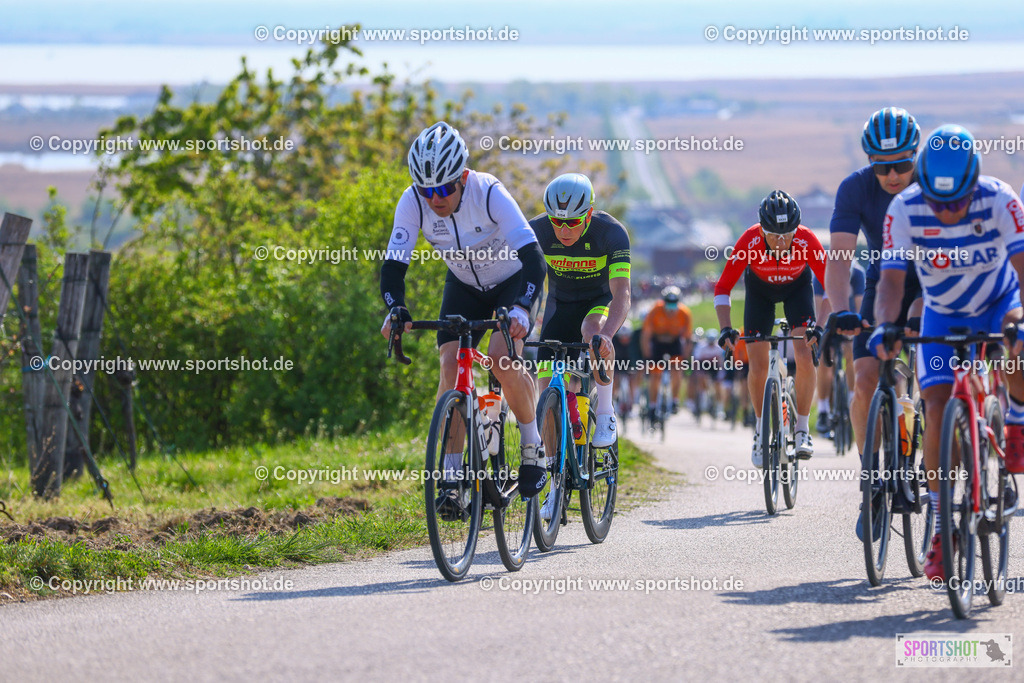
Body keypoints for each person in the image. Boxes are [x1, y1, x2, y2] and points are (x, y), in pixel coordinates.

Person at [871, 124, 1024, 582]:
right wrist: (887, 325)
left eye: (957, 202)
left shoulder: (1001, 199)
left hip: (998, 303)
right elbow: (892, 281)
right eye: (941, 205)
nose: (950, 212)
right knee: (935, 406)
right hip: (941, 312)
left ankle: (1015, 417)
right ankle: (942, 528)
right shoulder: (905, 208)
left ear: (974, 181)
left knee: (1019, 342)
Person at [379, 121, 549, 501]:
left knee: (502, 359)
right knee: (451, 365)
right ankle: (452, 480)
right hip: (464, 286)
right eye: (427, 190)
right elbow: (393, 266)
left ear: (463, 176)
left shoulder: (488, 192)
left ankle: (531, 446)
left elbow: (535, 258)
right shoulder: (412, 201)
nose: (435, 198)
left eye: (444, 188)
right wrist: (396, 309)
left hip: (513, 281)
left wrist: (522, 307)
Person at [823, 107, 925, 539]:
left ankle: (925, 434)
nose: (893, 175)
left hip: (934, 285)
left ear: (916, 158)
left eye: (903, 164)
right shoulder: (855, 189)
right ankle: (874, 482)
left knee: (933, 374)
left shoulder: (932, 183)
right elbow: (840, 258)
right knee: (864, 379)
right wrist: (841, 308)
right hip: (885, 285)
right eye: (882, 166)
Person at [715, 190, 827, 464]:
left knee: (803, 354)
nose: (781, 241)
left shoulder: (808, 239)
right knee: (758, 363)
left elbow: (830, 287)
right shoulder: (749, 240)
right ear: (762, 230)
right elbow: (722, 287)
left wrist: (820, 327)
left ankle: (802, 429)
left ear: (796, 229)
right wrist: (726, 328)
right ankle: (759, 429)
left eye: (788, 234)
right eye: (774, 234)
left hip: (797, 290)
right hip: (760, 293)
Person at [530, 173, 631, 448]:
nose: (563, 230)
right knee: (546, 395)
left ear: (588, 215)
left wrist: (608, 335)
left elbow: (622, 292)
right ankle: (554, 479)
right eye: (557, 222)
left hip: (597, 301)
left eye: (572, 222)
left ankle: (606, 412)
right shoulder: (535, 231)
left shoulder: (610, 233)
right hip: (558, 305)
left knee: (593, 331)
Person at [814, 260, 865, 434]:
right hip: (830, 321)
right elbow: (818, 307)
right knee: (824, 360)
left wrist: (859, 328)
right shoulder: (821, 274)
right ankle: (822, 409)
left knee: (851, 351)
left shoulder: (858, 274)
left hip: (850, 321)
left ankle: (852, 398)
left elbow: (860, 307)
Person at [641, 286, 693, 417]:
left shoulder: (684, 313)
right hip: (657, 343)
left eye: (674, 303)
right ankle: (652, 405)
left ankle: (675, 400)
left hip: (674, 343)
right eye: (668, 303)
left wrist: (686, 354)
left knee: (677, 369)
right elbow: (646, 333)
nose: (671, 306)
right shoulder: (655, 310)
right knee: (655, 374)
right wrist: (646, 350)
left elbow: (688, 338)